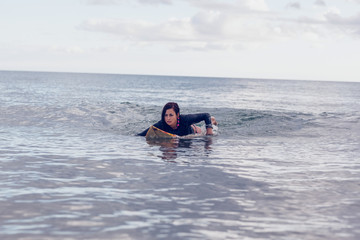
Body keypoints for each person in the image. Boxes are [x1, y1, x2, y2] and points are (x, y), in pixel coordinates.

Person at [138, 102, 217, 137]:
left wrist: (209, 130)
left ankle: (212, 121)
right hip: (177, 136)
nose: (168, 118)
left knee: (203, 128)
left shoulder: (185, 119)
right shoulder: (161, 124)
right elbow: (142, 134)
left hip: (194, 131)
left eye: (171, 115)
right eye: (166, 115)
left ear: (177, 115)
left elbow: (206, 115)